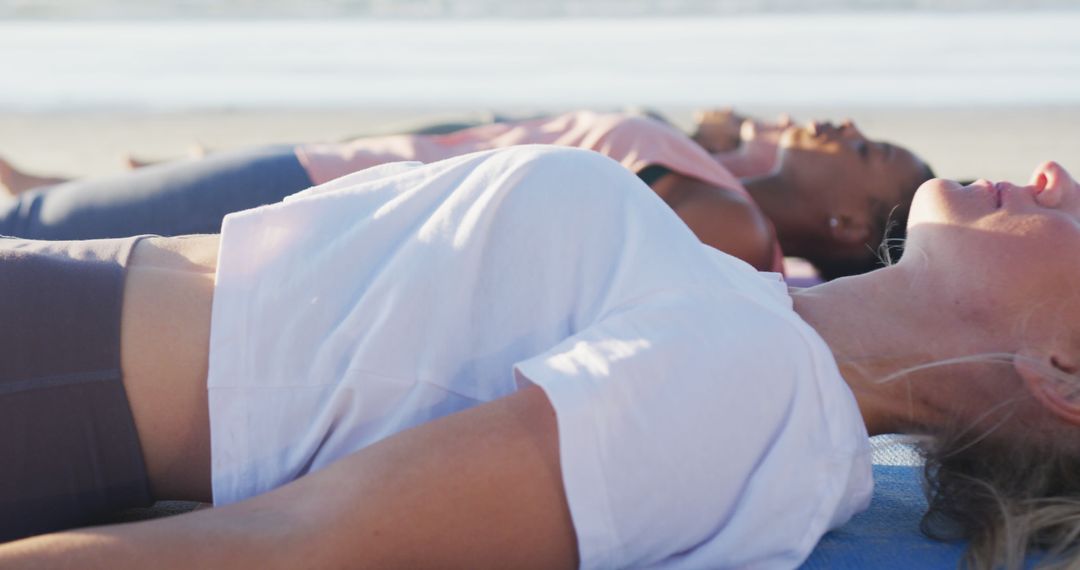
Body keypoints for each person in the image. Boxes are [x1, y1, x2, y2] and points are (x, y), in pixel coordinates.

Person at [0, 146, 1075, 569]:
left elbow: (291, 547)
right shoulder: (761, 320)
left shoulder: (756, 395)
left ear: (1063, 373)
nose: (1054, 170)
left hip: (48, 376)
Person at [0, 110, 932, 277]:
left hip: (313, 196)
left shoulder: (721, 220)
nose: (847, 127)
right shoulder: (717, 179)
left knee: (28, 234)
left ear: (849, 220)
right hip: (328, 173)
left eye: (870, 150)